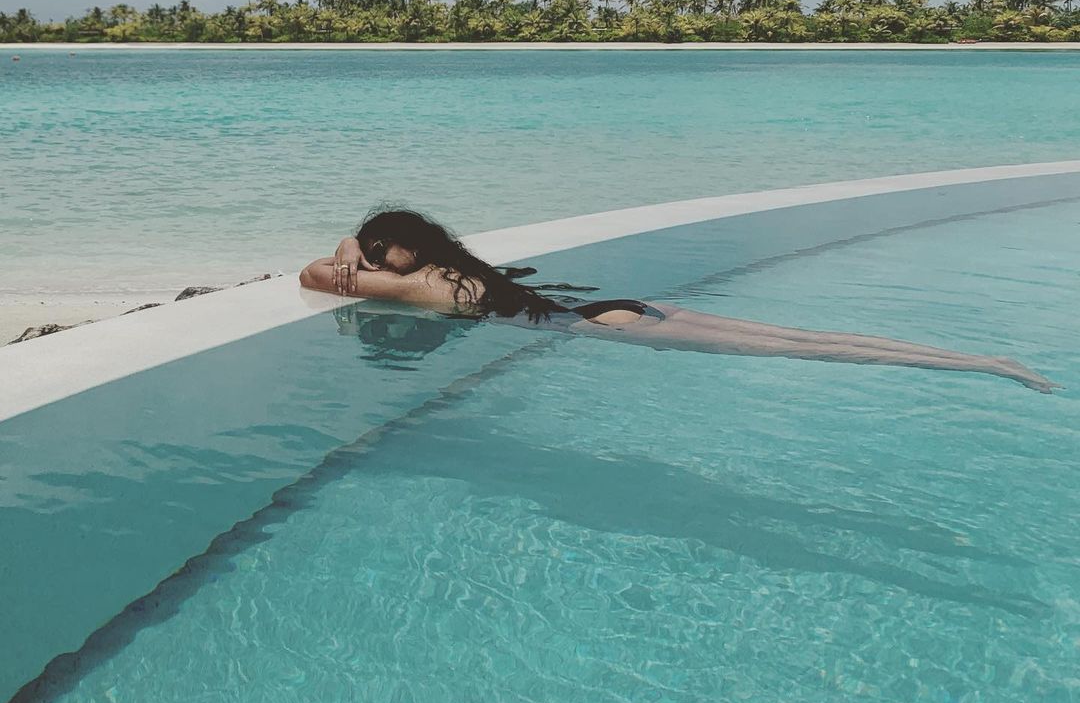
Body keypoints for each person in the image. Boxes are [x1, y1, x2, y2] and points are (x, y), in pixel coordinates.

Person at [299, 208, 1060, 393]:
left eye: (371, 252)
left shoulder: (408, 282)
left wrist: (347, 254)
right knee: (798, 334)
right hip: (617, 306)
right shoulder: (455, 268)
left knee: (797, 348)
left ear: (386, 253)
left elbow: (313, 273)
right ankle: (982, 358)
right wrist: (361, 244)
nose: (363, 262)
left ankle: (985, 366)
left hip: (613, 331)